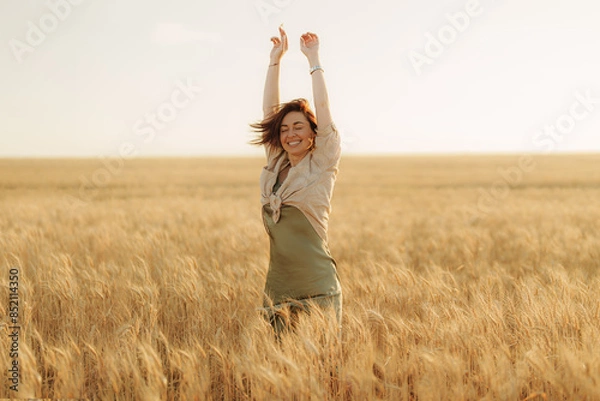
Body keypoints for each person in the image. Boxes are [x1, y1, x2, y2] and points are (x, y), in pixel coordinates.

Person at [250, 26, 343, 338]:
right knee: (280, 372)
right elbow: (268, 112)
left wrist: (313, 59)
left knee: (323, 370)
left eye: (299, 127)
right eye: (285, 128)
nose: (291, 134)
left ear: (312, 133)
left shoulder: (322, 163)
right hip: (278, 286)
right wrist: (275, 60)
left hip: (317, 287)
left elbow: (326, 111)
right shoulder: (276, 163)